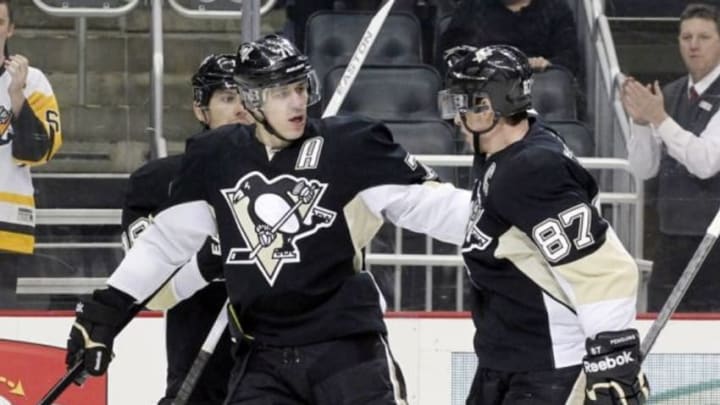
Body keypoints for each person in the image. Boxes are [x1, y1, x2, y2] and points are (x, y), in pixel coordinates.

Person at [65, 34, 470, 404]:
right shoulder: (215, 158)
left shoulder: (349, 146)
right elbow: (163, 246)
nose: (297, 102)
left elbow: (432, 206)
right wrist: (105, 314)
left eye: (300, 88)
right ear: (251, 99)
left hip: (346, 352)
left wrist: (499, 221)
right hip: (263, 356)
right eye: (281, 92)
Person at [439, 44, 648, 404]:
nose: (456, 117)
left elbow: (605, 270)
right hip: (508, 359)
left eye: (463, 102)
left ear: (489, 107)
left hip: (548, 370)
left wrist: (614, 354)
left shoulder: (532, 169)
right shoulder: (506, 155)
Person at [120, 53, 253, 404]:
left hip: (280, 361)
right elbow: (147, 283)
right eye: (228, 98)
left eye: (250, 97)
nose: (242, 109)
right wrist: (205, 262)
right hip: (198, 362)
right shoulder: (160, 182)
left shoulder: (297, 179)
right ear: (200, 110)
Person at [622, 3, 720, 313]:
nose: (693, 45)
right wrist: (639, 123)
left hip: (714, 242)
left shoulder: (662, 107)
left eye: (703, 37)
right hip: (670, 237)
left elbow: (705, 163)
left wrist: (659, 118)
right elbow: (643, 168)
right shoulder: (670, 94)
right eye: (686, 37)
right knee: (660, 327)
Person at [0, 0, 62, 308]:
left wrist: (17, 96)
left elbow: (42, 150)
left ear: (10, 29)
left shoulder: (33, 81)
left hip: (6, 224)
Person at [439, 0, 580, 76]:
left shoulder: (554, 8)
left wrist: (546, 64)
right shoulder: (471, 6)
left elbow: (569, 57)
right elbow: (448, 53)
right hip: (482, 85)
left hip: (536, 86)